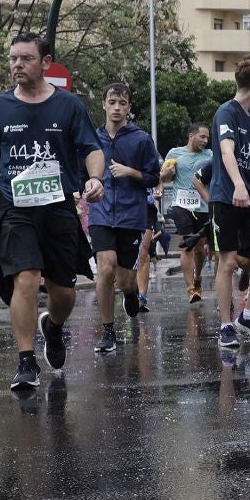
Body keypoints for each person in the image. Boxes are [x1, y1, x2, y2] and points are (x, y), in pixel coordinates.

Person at [0, 33, 106, 391]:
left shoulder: (69, 105)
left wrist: (94, 178)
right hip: (16, 209)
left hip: (58, 208)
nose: (17, 65)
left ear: (45, 63)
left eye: (25, 58)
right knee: (26, 278)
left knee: (64, 293)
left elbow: (91, 148)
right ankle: (26, 362)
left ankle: (54, 328)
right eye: (13, 58)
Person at [86, 83, 161, 354]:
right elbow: (77, 167)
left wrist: (131, 171)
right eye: (112, 101)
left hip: (131, 215)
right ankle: (107, 331)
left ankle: (131, 294)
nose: (117, 107)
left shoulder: (141, 140)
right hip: (101, 213)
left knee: (126, 279)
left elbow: (154, 177)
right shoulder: (92, 139)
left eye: (122, 103)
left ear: (129, 107)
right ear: (104, 105)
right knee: (105, 269)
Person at [209, 59, 250, 348]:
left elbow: (246, 156)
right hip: (226, 196)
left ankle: (248, 314)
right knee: (226, 263)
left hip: (249, 196)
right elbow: (227, 151)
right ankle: (226, 325)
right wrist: (237, 184)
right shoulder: (227, 112)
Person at [161, 122, 213, 305]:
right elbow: (163, 176)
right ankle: (191, 288)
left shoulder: (210, 155)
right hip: (180, 205)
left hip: (203, 207)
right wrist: (166, 173)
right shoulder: (174, 153)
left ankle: (198, 278)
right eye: (202, 137)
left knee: (200, 249)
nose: (206, 141)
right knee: (187, 245)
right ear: (191, 136)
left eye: (207, 137)